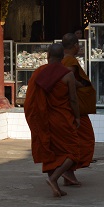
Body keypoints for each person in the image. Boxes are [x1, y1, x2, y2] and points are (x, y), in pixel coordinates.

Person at [24, 43, 81, 198]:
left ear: (47, 56)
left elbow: (30, 100)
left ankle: (55, 182)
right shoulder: (67, 74)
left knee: (53, 149)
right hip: (62, 118)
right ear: (63, 57)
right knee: (74, 152)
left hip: (44, 118)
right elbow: (73, 100)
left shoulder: (38, 73)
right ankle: (54, 178)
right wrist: (76, 116)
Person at [61, 33, 96, 186]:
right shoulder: (69, 61)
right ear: (75, 45)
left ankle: (69, 173)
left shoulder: (63, 59)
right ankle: (67, 171)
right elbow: (66, 77)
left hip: (67, 107)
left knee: (71, 140)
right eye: (78, 45)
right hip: (74, 109)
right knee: (84, 140)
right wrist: (79, 85)